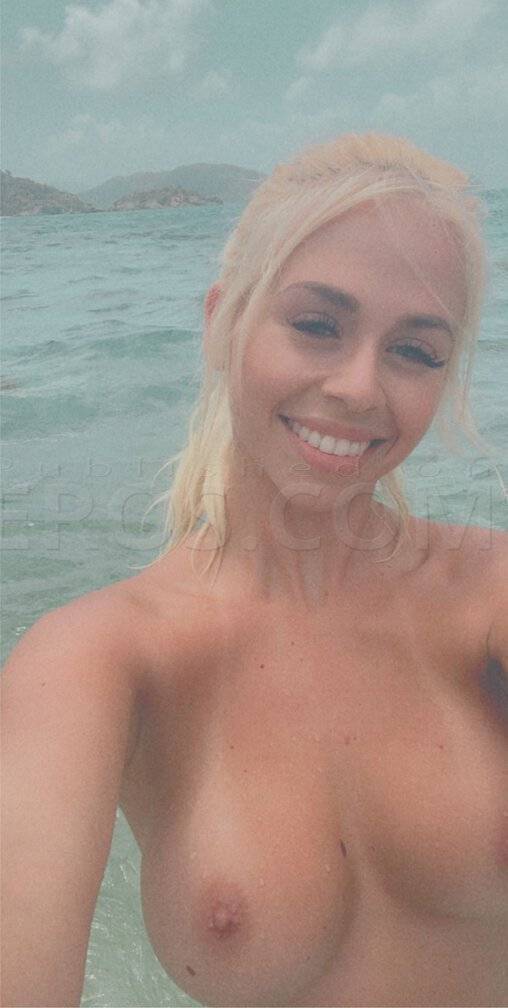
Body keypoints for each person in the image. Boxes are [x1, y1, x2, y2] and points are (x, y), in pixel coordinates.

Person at [2, 132, 507, 1008]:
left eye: (415, 351)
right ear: (220, 323)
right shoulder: (100, 658)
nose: (359, 387)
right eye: (317, 325)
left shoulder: (488, 595)